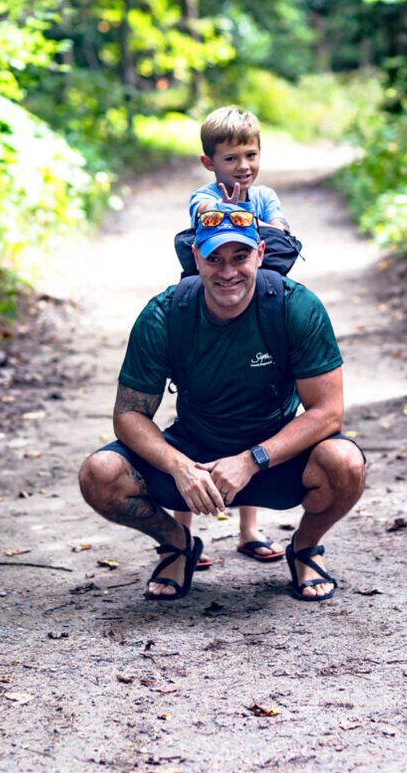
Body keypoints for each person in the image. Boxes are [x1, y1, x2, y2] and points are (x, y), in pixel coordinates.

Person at [79, 202, 366, 602]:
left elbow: (327, 412)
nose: (227, 271)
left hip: (274, 457)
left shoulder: (294, 306)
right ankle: (176, 544)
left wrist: (252, 460)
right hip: (194, 457)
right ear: (196, 257)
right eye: (214, 258)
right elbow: (129, 413)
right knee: (100, 473)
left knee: (346, 464)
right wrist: (179, 467)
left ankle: (304, 547)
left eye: (240, 256)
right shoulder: (165, 314)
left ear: (260, 254)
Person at [180, 105, 290, 566]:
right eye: (230, 158)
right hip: (211, 315)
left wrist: (245, 225)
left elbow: (280, 239)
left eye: (250, 154)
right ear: (210, 163)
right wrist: (243, 226)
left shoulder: (265, 196)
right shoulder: (202, 196)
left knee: (259, 417)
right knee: (196, 419)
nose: (243, 166)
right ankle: (182, 538)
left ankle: (249, 530)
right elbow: (212, 224)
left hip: (258, 314)